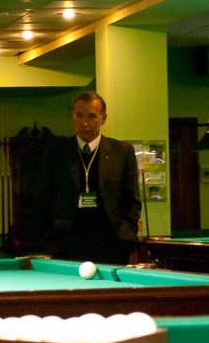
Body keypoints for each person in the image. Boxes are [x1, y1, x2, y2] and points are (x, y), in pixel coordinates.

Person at [38, 91, 141, 265]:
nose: (84, 123)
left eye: (91, 116)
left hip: (112, 242)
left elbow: (131, 199)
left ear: (103, 118)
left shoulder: (122, 152)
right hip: (65, 242)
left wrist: (127, 235)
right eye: (79, 115)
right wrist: (49, 238)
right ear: (73, 116)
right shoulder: (55, 152)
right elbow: (44, 197)